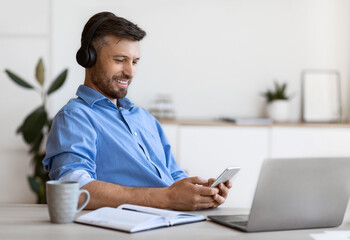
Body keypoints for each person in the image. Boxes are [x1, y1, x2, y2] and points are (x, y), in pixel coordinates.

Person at [43, 11, 231, 210]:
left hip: (174, 221)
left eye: (134, 61)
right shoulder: (75, 117)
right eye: (119, 60)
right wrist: (167, 198)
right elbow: (74, 189)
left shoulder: (144, 118)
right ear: (89, 58)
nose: (130, 72)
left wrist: (200, 193)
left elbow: (174, 176)